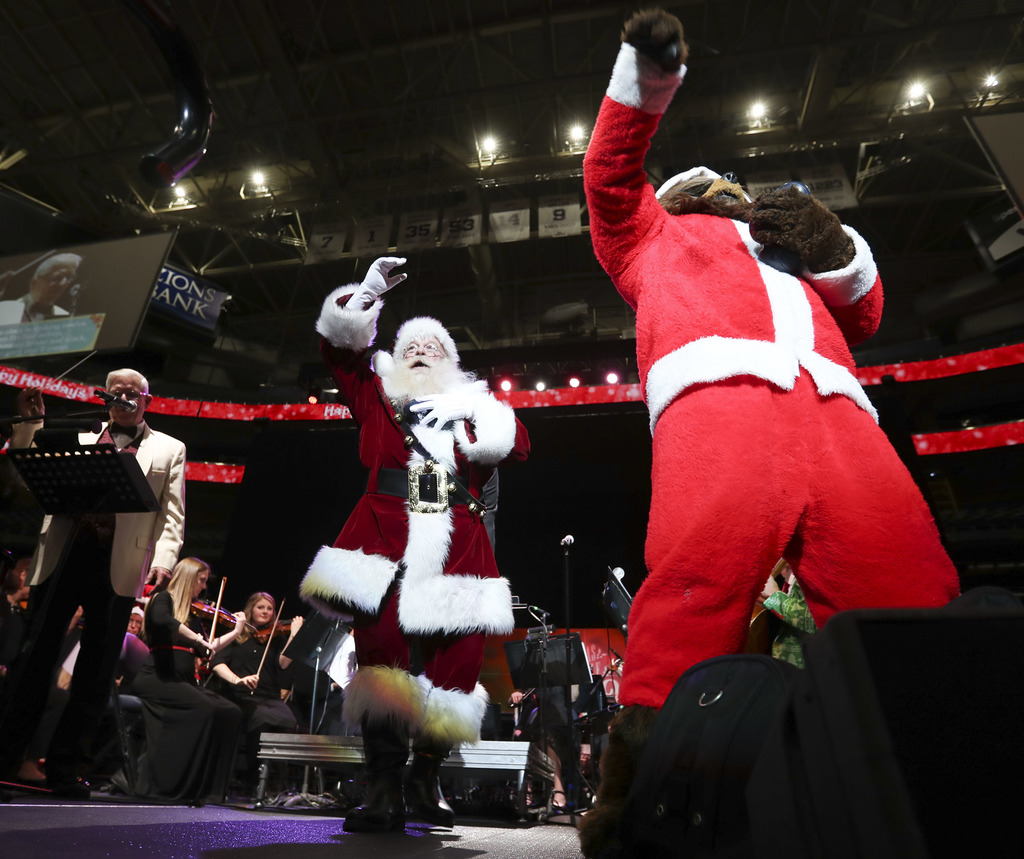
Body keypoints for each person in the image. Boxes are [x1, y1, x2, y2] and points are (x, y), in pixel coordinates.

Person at [578, 9, 960, 855]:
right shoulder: (650, 237)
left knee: (909, 589)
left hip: (838, 413)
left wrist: (835, 246)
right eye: (709, 194)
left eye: (732, 196)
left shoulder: (787, 252)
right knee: (693, 592)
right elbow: (609, 178)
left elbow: (865, 311)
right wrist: (648, 76)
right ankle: (640, 808)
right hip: (722, 408)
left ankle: (948, 775)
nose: (727, 200)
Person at [299, 256, 530, 832]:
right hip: (383, 538)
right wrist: (370, 291)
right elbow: (338, 349)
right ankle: (382, 786)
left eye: (434, 346)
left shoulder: (474, 409)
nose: (421, 351)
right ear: (393, 358)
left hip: (456, 541)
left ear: (453, 362)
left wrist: (472, 408)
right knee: (382, 661)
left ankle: (425, 778)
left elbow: (518, 445)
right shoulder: (374, 394)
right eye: (410, 347)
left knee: (458, 667)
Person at [0, 368, 186, 798]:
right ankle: (6, 757)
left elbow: (172, 515)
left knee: (95, 671)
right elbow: (27, 478)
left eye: (133, 392)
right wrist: (30, 426)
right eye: (116, 391)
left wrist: (163, 559)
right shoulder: (80, 436)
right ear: (105, 397)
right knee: (35, 657)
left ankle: (66, 770)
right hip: (64, 556)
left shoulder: (170, 448)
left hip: (118, 565)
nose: (125, 397)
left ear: (147, 399)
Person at [131, 557, 244, 802]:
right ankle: (173, 784)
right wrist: (196, 639)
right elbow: (163, 621)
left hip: (180, 682)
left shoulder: (192, 613)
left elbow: (208, 648)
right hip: (157, 678)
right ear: (189, 577)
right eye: (201, 580)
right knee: (203, 706)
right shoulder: (163, 599)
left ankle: (208, 789)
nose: (204, 587)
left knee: (230, 711)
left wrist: (235, 632)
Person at [209, 592, 302, 795]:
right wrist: (238, 680)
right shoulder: (237, 634)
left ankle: (278, 784)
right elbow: (216, 662)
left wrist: (294, 636)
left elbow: (283, 664)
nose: (265, 612)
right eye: (261, 607)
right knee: (261, 721)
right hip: (240, 695)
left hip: (269, 696)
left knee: (288, 720)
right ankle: (254, 781)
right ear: (251, 609)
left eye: (269, 608)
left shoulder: (276, 637)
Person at [0, 253, 83, 324]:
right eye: (56, 277)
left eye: (69, 278)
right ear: (34, 283)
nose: (64, 284)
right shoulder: (4, 309)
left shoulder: (65, 317)